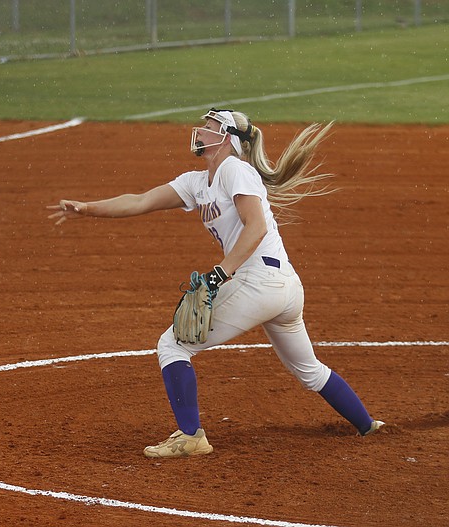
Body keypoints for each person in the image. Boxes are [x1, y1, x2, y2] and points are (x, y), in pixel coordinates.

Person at [47, 109, 384, 458]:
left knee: (173, 345)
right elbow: (141, 200)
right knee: (309, 371)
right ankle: (367, 425)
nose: (200, 132)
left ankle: (191, 436)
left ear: (227, 138)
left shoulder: (234, 170)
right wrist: (87, 208)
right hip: (283, 286)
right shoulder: (198, 182)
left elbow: (257, 227)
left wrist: (220, 273)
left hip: (260, 282)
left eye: (209, 128)